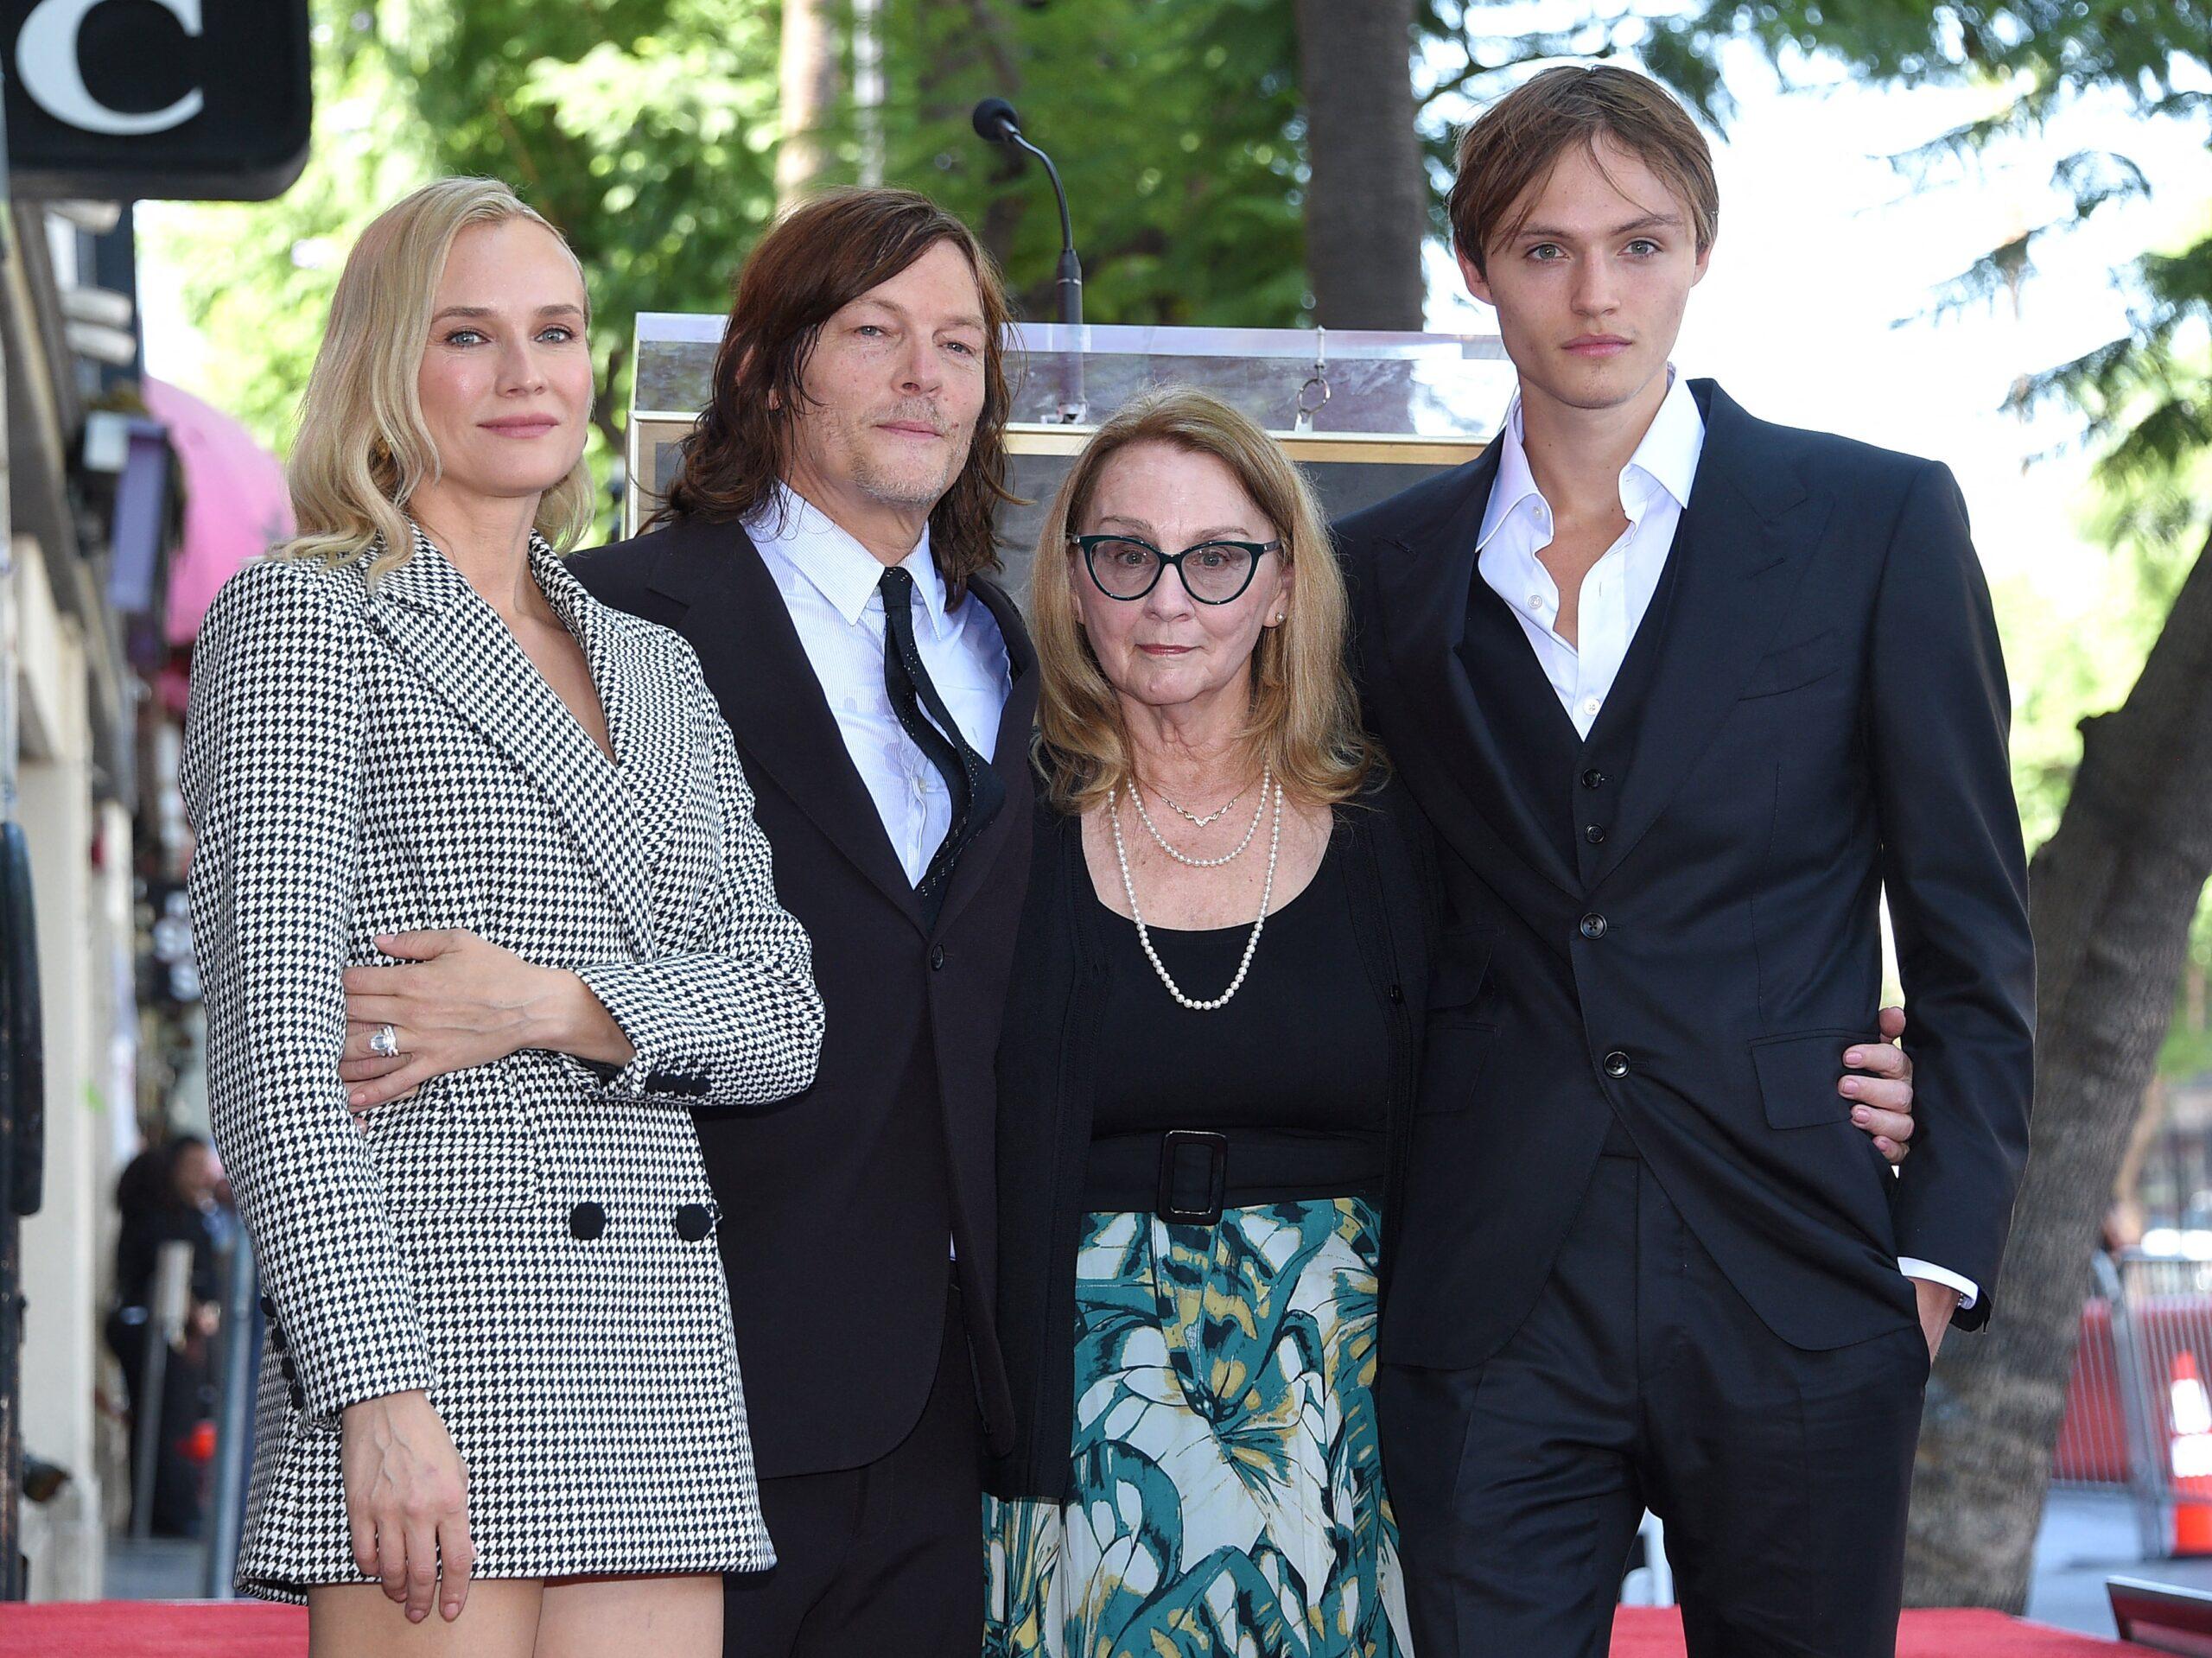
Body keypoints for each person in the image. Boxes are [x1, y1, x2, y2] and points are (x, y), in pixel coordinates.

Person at [982, 388, 1923, 1657]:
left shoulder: (1389, 819)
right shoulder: (996, 823)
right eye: (1124, 555)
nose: (1167, 599)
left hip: (1353, 1411)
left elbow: (1587, 950)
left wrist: (1853, 1067)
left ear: (1281, 586)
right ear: (1073, 582)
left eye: (1216, 559)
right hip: (1077, 1410)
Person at [1334, 66, 2035, 1657]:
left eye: (1640, 244)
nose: (1597, 291)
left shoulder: (1875, 519)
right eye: (1544, 248)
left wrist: (1932, 1257)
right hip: (1488, 1284)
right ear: (1475, 268)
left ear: (1701, 252)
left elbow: (1972, 923)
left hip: (1805, 1268)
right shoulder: (1381, 571)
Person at [184, 177, 823, 1655]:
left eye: (557, 330)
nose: (527, 372)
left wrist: (551, 1000)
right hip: (432, 1335)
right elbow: (273, 1049)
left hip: (654, 1358)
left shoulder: (656, 664)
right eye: (470, 334)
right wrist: (371, 1386)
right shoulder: (304, 614)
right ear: (388, 367)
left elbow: (783, 1014)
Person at [568, 187, 1037, 1658]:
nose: (926, 375)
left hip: (961, 1405)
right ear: (770, 368)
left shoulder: (1006, 638)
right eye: (877, 332)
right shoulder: (608, 617)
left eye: (958, 345)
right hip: (681, 1376)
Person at [105, 1135, 224, 1537]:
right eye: (191, 1166)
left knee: (166, 1422)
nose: (200, 1175)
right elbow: (170, 1279)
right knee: (166, 1424)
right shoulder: (163, 1220)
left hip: (159, 1331)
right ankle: (167, 1514)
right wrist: (195, 1320)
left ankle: (163, 1511)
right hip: (158, 1332)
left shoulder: (187, 1215)